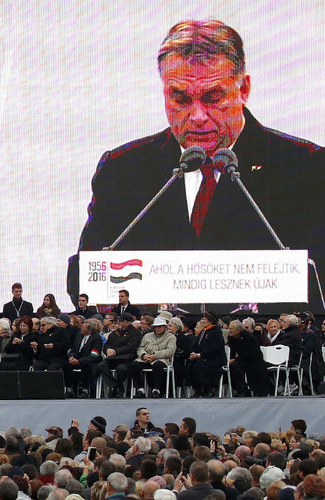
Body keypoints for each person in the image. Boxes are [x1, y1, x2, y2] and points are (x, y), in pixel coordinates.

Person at [70, 20, 325, 311]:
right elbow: (84, 274)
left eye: (213, 97)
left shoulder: (306, 167)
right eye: (180, 98)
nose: (198, 116)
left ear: (244, 89)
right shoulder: (123, 170)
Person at [125, 316, 176, 398]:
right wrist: (143, 355)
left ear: (164, 327)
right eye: (155, 327)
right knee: (133, 365)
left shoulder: (171, 337)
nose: (157, 328)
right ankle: (140, 389)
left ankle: (156, 390)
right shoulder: (147, 336)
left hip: (161, 359)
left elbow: (170, 351)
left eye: (160, 326)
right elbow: (140, 348)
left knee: (158, 365)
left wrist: (155, 356)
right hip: (146, 359)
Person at [95, 313, 142, 398]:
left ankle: (120, 388)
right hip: (112, 358)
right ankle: (114, 386)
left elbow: (131, 347)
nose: (118, 323)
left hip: (126, 358)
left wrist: (115, 351)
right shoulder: (115, 333)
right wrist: (108, 350)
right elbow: (107, 344)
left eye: (120, 321)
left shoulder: (136, 333)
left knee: (121, 369)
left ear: (128, 322)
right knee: (101, 365)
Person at [186, 311, 227, 398]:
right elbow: (196, 345)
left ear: (211, 321)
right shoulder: (203, 332)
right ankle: (197, 389)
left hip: (214, 359)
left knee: (201, 366)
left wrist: (200, 355)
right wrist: (193, 353)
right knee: (191, 365)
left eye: (204, 319)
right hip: (202, 357)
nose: (202, 321)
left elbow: (214, 349)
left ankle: (209, 388)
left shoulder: (216, 332)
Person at [226, 319, 272, 397]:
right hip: (242, 359)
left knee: (237, 365)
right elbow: (232, 351)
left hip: (253, 359)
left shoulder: (249, 337)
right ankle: (241, 389)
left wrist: (235, 359)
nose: (229, 330)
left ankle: (246, 390)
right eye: (229, 328)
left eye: (231, 329)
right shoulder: (231, 338)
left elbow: (251, 353)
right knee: (233, 366)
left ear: (238, 330)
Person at [62, 317, 104, 398]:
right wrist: (71, 357)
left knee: (86, 365)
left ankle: (85, 389)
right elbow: (73, 349)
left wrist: (79, 361)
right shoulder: (79, 336)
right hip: (77, 360)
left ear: (90, 330)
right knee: (66, 365)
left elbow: (94, 355)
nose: (81, 328)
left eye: (83, 327)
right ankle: (69, 389)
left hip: (90, 361)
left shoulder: (96, 338)